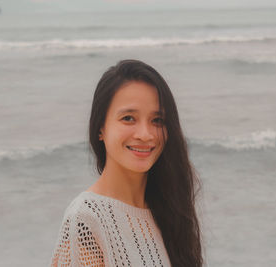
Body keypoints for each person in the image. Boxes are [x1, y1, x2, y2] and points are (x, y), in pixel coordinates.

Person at [50, 59, 203, 267]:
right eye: (128, 118)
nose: (145, 134)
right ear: (100, 128)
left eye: (157, 120)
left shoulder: (169, 210)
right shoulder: (86, 219)